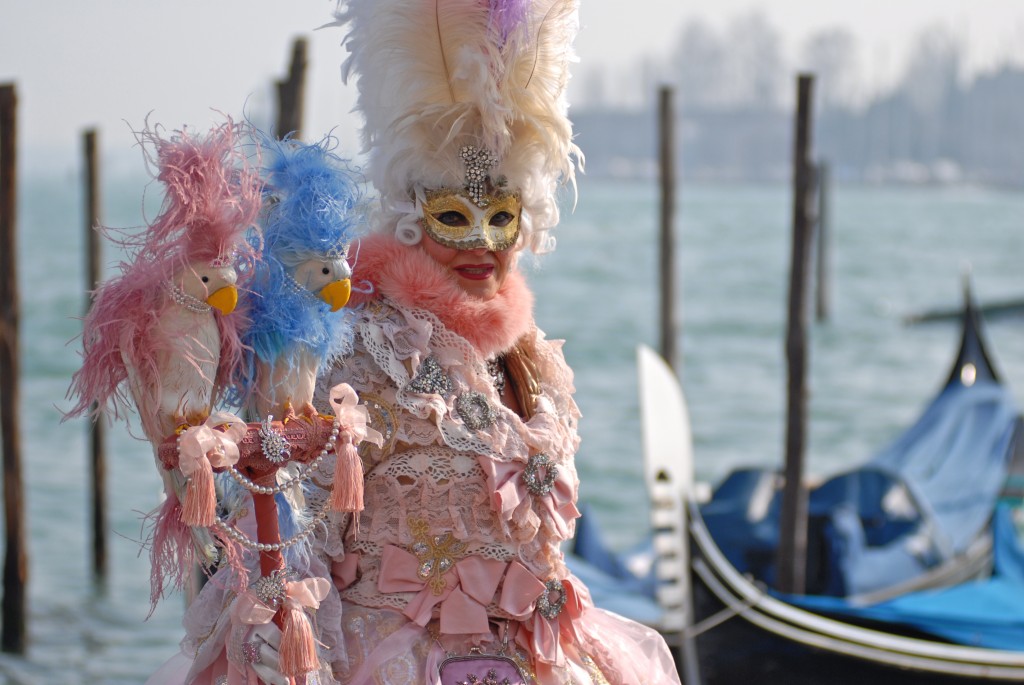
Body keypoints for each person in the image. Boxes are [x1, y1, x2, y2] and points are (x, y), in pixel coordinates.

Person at [149, 0, 683, 683]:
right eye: (454, 216)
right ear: (409, 215)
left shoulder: (536, 363)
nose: (482, 242)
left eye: (502, 216)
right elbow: (287, 522)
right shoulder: (359, 347)